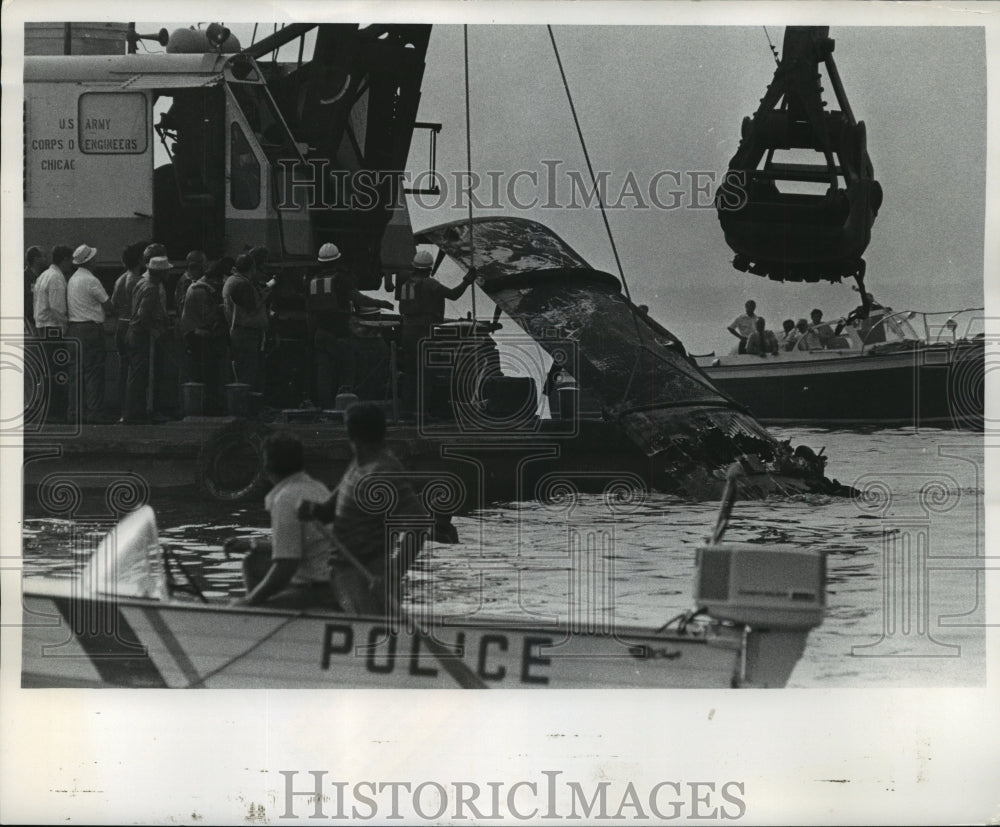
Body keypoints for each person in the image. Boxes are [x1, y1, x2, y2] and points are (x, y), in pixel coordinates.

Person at [298, 402, 423, 615]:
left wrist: (392, 574)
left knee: (367, 642)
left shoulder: (383, 472)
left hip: (366, 576)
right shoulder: (359, 463)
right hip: (342, 572)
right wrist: (312, 509)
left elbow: (419, 526)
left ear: (351, 435)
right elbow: (329, 510)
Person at [226, 432, 337, 608]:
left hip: (320, 592)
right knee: (253, 561)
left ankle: (258, 614)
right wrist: (251, 544)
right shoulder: (318, 488)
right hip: (333, 583)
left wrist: (250, 602)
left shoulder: (285, 499)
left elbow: (287, 565)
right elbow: (297, 545)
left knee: (243, 606)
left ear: (267, 466)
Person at [308, 243, 392, 408]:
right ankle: (344, 407)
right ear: (338, 259)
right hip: (339, 334)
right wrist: (381, 302)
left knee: (324, 373)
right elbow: (358, 298)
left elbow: (309, 309)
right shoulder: (341, 279)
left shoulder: (313, 281)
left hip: (320, 333)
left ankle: (325, 409)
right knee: (346, 372)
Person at [399, 250, 477, 417]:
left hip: (407, 333)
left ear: (414, 266)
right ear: (429, 268)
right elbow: (454, 295)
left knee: (410, 373)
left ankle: (407, 411)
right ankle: (422, 412)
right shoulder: (431, 284)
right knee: (426, 374)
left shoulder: (406, 284)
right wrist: (467, 280)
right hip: (424, 334)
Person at [66, 244, 115, 423]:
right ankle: (95, 413)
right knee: (94, 373)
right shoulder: (91, 280)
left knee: (75, 374)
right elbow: (108, 304)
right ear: (90, 261)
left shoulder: (72, 280)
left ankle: (74, 414)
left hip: (73, 329)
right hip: (91, 330)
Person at [124, 256, 171, 423]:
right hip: (141, 334)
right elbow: (143, 314)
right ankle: (135, 414)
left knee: (135, 375)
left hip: (132, 332)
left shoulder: (141, 283)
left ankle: (134, 412)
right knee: (140, 376)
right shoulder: (151, 288)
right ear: (161, 272)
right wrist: (154, 330)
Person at [180, 258, 229, 414]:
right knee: (207, 373)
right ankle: (207, 406)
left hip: (199, 335)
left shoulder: (201, 287)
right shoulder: (200, 289)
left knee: (207, 372)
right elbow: (206, 316)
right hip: (199, 336)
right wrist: (222, 309)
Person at [32, 245, 74, 423]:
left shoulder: (43, 275)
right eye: (70, 260)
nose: (71, 264)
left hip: (42, 326)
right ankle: (56, 412)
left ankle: (48, 411)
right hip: (53, 328)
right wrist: (66, 325)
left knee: (49, 371)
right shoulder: (57, 278)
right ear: (64, 259)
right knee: (58, 371)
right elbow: (57, 307)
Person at [222, 253, 269, 390]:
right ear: (252, 268)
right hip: (246, 333)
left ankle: (242, 405)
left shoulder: (231, 281)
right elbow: (250, 309)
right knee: (248, 373)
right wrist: (264, 296)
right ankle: (245, 407)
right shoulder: (242, 284)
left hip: (238, 331)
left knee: (242, 371)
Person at [111, 243, 146, 420]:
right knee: (136, 370)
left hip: (120, 325)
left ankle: (121, 409)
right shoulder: (139, 281)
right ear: (140, 259)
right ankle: (133, 411)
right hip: (132, 326)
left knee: (124, 369)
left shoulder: (120, 279)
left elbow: (114, 304)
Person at [173, 250, 206, 321]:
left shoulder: (190, 279)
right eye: (204, 263)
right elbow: (183, 307)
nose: (205, 267)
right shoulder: (187, 282)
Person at [24, 246, 47, 333]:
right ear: (36, 259)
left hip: (42, 321)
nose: (45, 259)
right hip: (30, 322)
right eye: (43, 256)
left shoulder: (44, 276)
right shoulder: (24, 278)